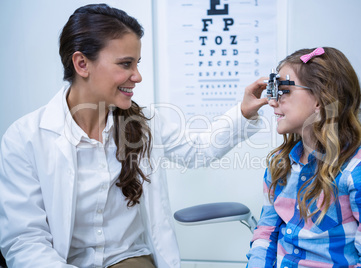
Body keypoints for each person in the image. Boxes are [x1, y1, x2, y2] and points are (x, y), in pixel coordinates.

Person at [0, 4, 269, 268]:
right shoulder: (24, 139)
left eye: (137, 63)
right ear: (82, 63)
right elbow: (25, 241)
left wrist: (243, 112)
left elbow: (199, 150)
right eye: (126, 64)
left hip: (127, 260)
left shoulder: (144, 124)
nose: (137, 76)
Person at [247, 47, 361, 267]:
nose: (272, 102)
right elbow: (266, 233)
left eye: (284, 91)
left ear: (320, 99)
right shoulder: (281, 165)